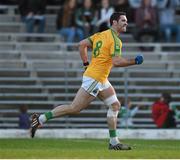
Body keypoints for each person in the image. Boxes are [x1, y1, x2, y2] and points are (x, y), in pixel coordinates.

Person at [31, 12, 144, 150]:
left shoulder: (100, 35)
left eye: (126, 21)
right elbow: (117, 61)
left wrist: (86, 64)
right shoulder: (115, 40)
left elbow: (82, 44)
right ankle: (40, 119)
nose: (126, 23)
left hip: (100, 78)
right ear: (114, 22)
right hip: (95, 79)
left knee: (115, 105)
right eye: (123, 20)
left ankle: (114, 142)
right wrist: (135, 61)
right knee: (75, 108)